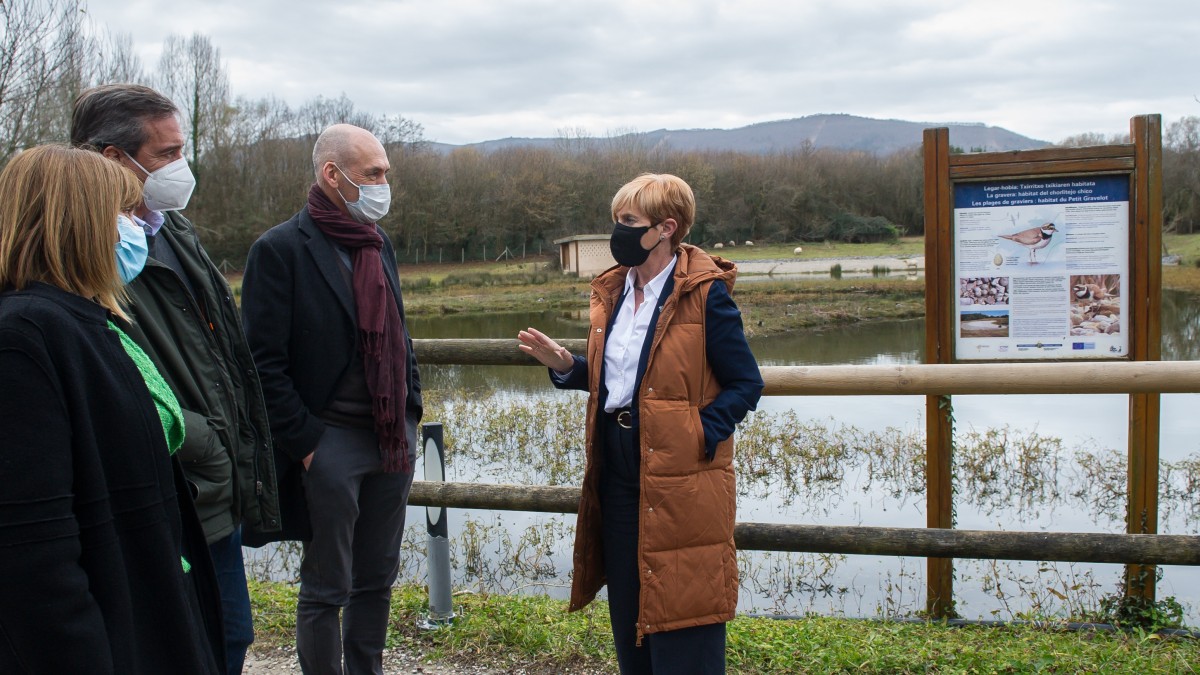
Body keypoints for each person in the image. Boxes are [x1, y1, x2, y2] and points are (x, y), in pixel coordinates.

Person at [70, 83, 280, 675]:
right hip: (163, 488)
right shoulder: (88, 251)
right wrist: (202, 439)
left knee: (231, 637)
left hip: (214, 490)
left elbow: (222, 354)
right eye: (166, 155)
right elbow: (103, 375)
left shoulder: (172, 231)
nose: (180, 168)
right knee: (177, 647)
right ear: (113, 159)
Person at [518, 173, 763, 674]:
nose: (618, 231)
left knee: (682, 603)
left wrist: (699, 433)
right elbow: (626, 381)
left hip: (679, 470)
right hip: (617, 463)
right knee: (630, 604)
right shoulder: (613, 292)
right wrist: (567, 365)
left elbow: (745, 382)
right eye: (618, 220)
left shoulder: (704, 295)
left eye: (629, 221)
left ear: (666, 228)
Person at [0, 144, 223, 674]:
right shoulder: (23, 339)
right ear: (74, 222)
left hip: (148, 601)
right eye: (123, 213)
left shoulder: (92, 320)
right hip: (111, 632)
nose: (139, 228)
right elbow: (34, 558)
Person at [241, 123, 423, 675]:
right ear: (333, 175)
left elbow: (397, 334)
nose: (384, 183)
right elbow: (262, 362)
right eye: (373, 174)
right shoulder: (279, 250)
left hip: (390, 440)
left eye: (385, 172)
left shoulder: (378, 242)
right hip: (330, 443)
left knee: (377, 578)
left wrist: (410, 412)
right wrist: (309, 444)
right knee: (327, 586)